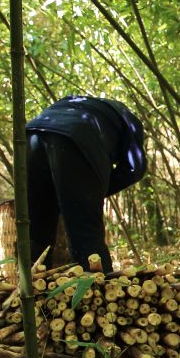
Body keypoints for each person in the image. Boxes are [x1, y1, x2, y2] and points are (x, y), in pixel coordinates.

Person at [27, 95, 147, 273]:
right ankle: (98, 292)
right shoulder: (128, 119)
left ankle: (30, 294)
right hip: (75, 137)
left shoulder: (74, 103)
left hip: (30, 135)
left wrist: (79, 192)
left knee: (37, 231)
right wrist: (90, 192)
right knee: (85, 234)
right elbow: (135, 168)